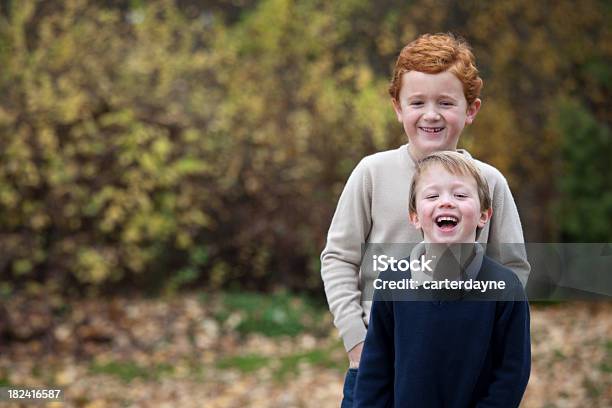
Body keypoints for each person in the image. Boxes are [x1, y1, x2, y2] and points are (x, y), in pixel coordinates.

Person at [320, 33, 530, 407]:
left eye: (446, 102)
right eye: (417, 102)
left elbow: (512, 269)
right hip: (376, 365)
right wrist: (357, 341)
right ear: (398, 107)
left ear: (471, 109)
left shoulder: (488, 182)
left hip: (463, 371)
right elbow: (338, 259)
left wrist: (483, 337)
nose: (431, 114)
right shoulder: (372, 173)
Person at [353, 151, 531, 407]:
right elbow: (375, 372)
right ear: (414, 217)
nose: (446, 202)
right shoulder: (391, 281)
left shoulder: (505, 287)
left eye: (460, 195)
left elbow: (511, 374)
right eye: (432, 195)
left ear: (484, 214)